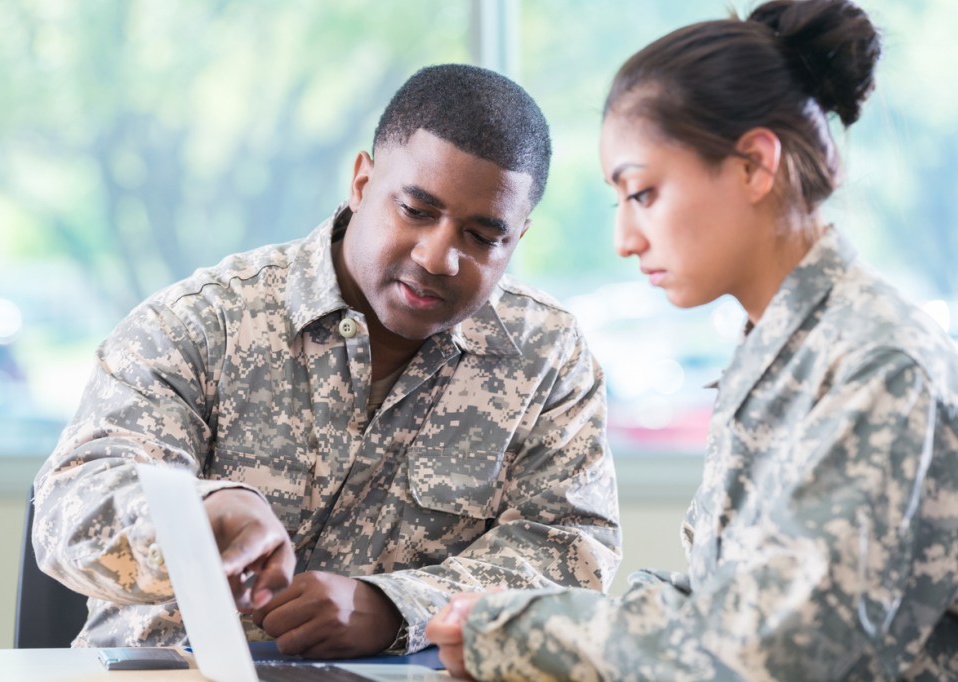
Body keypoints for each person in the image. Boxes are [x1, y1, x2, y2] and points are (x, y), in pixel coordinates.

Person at [426, 1, 958, 679]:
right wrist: (513, 614)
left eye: (641, 193)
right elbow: (725, 599)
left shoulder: (876, 364)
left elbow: (770, 655)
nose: (623, 239)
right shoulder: (786, 350)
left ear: (756, 165)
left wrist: (516, 632)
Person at [32, 63, 622, 658]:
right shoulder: (205, 321)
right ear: (362, 183)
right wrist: (202, 509)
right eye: (417, 210)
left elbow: (570, 553)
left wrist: (399, 608)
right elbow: (69, 508)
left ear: (517, 237)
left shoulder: (545, 356)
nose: (439, 256)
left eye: (482, 237)